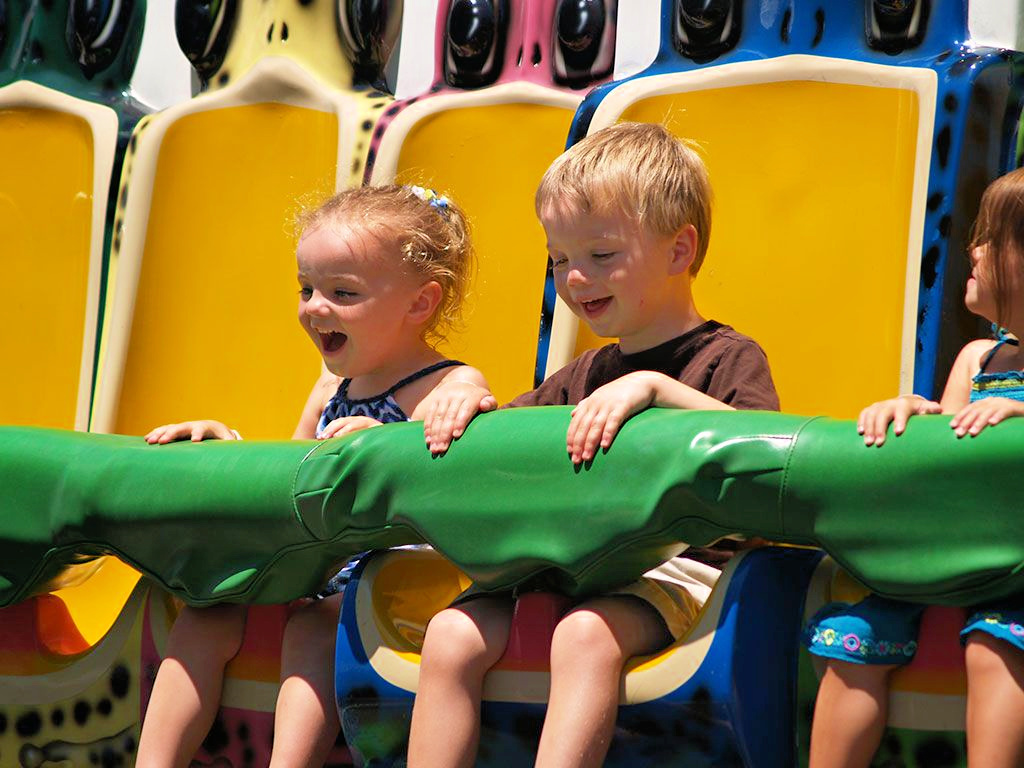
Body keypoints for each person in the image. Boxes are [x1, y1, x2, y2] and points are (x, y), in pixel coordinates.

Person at [410, 122, 780, 768]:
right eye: (558, 259)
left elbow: (761, 454)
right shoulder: (581, 377)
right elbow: (504, 441)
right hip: (570, 564)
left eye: (602, 255)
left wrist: (658, 391)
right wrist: (461, 407)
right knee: (449, 633)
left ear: (678, 249)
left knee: (585, 635)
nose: (576, 278)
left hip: (681, 570)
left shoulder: (728, 359)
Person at [135, 184, 494, 768]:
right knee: (207, 612)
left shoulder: (449, 385)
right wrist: (226, 448)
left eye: (342, 292)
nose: (315, 307)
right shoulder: (330, 388)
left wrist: (387, 444)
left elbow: (451, 478)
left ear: (420, 304)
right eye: (307, 288)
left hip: (400, 577)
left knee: (312, 628)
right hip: (320, 568)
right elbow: (292, 476)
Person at [806, 167, 1024, 768]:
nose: (973, 249)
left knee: (992, 645)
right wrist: (910, 414)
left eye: (996, 237)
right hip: (942, 559)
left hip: (1016, 570)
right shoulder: (980, 357)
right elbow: (937, 457)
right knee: (853, 643)